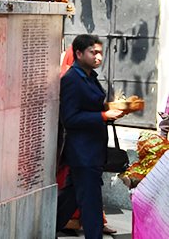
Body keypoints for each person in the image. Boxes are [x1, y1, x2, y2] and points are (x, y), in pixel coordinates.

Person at [55, 34, 127, 239]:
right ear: (78, 54)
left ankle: (47, 228)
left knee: (71, 197)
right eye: (93, 52)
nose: (98, 57)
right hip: (82, 152)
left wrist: (112, 109)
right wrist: (103, 115)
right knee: (91, 203)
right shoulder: (71, 80)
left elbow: (92, 105)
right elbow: (70, 118)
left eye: (100, 53)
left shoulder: (90, 76)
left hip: (92, 149)